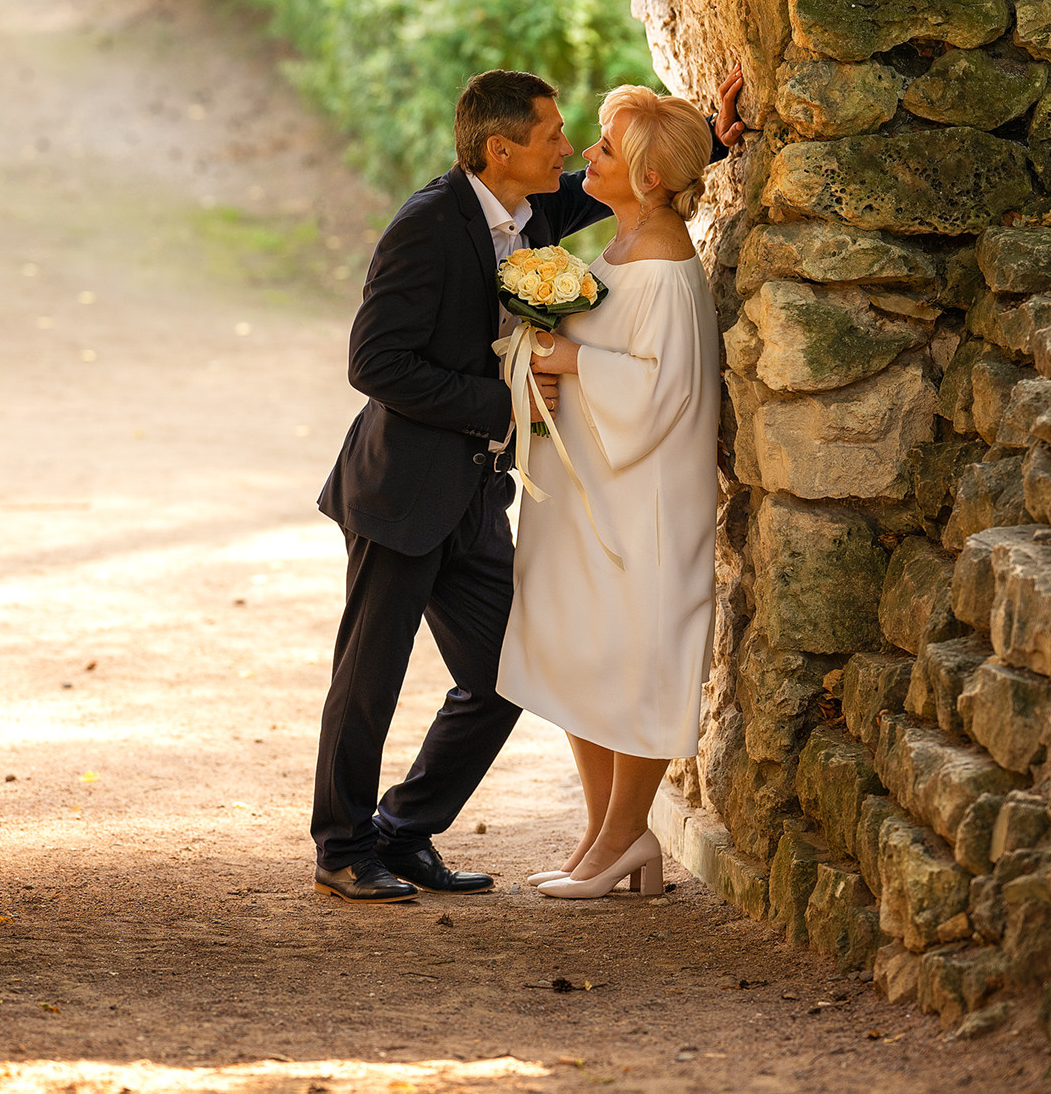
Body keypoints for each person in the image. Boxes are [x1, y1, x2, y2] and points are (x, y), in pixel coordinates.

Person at [310, 65, 744, 904]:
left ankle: (404, 831)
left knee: (504, 674)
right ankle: (341, 845)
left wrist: (715, 141)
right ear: (500, 148)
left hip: (477, 496)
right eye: (552, 136)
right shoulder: (427, 226)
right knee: (369, 675)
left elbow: (634, 188)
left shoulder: (534, 207)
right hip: (401, 493)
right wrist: (503, 399)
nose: (569, 150)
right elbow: (375, 363)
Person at [498, 84, 723, 901]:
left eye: (602, 150)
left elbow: (666, 394)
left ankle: (629, 837)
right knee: (587, 654)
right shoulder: (626, 241)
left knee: (635, 658)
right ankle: (601, 835)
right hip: (593, 488)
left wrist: (566, 362)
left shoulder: (665, 270)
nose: (584, 158)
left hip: (643, 499)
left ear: (651, 180)